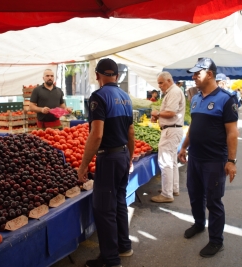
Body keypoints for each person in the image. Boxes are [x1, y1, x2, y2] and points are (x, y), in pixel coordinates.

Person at [178, 57, 239, 258]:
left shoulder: (225, 99)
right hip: (195, 157)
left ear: (209, 74)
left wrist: (231, 161)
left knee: (213, 201)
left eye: (198, 73)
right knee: (195, 195)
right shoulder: (195, 98)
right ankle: (198, 224)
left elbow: (232, 133)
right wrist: (183, 147)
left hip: (214, 160)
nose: (194, 77)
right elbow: (193, 128)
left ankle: (216, 241)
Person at [77, 58, 134, 267]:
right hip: (122, 155)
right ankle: (124, 246)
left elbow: (97, 134)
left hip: (108, 158)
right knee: (119, 202)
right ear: (116, 76)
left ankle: (110, 259)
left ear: (98, 76)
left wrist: (83, 165)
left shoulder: (98, 97)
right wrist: (130, 157)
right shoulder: (125, 97)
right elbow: (131, 131)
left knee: (104, 209)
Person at [150, 71, 185, 203]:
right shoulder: (173, 92)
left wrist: (157, 113)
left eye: (161, 82)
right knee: (172, 162)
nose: (159, 86)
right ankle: (173, 188)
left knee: (165, 162)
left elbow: (171, 112)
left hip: (171, 131)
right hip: (173, 130)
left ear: (169, 81)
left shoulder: (174, 92)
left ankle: (166, 194)